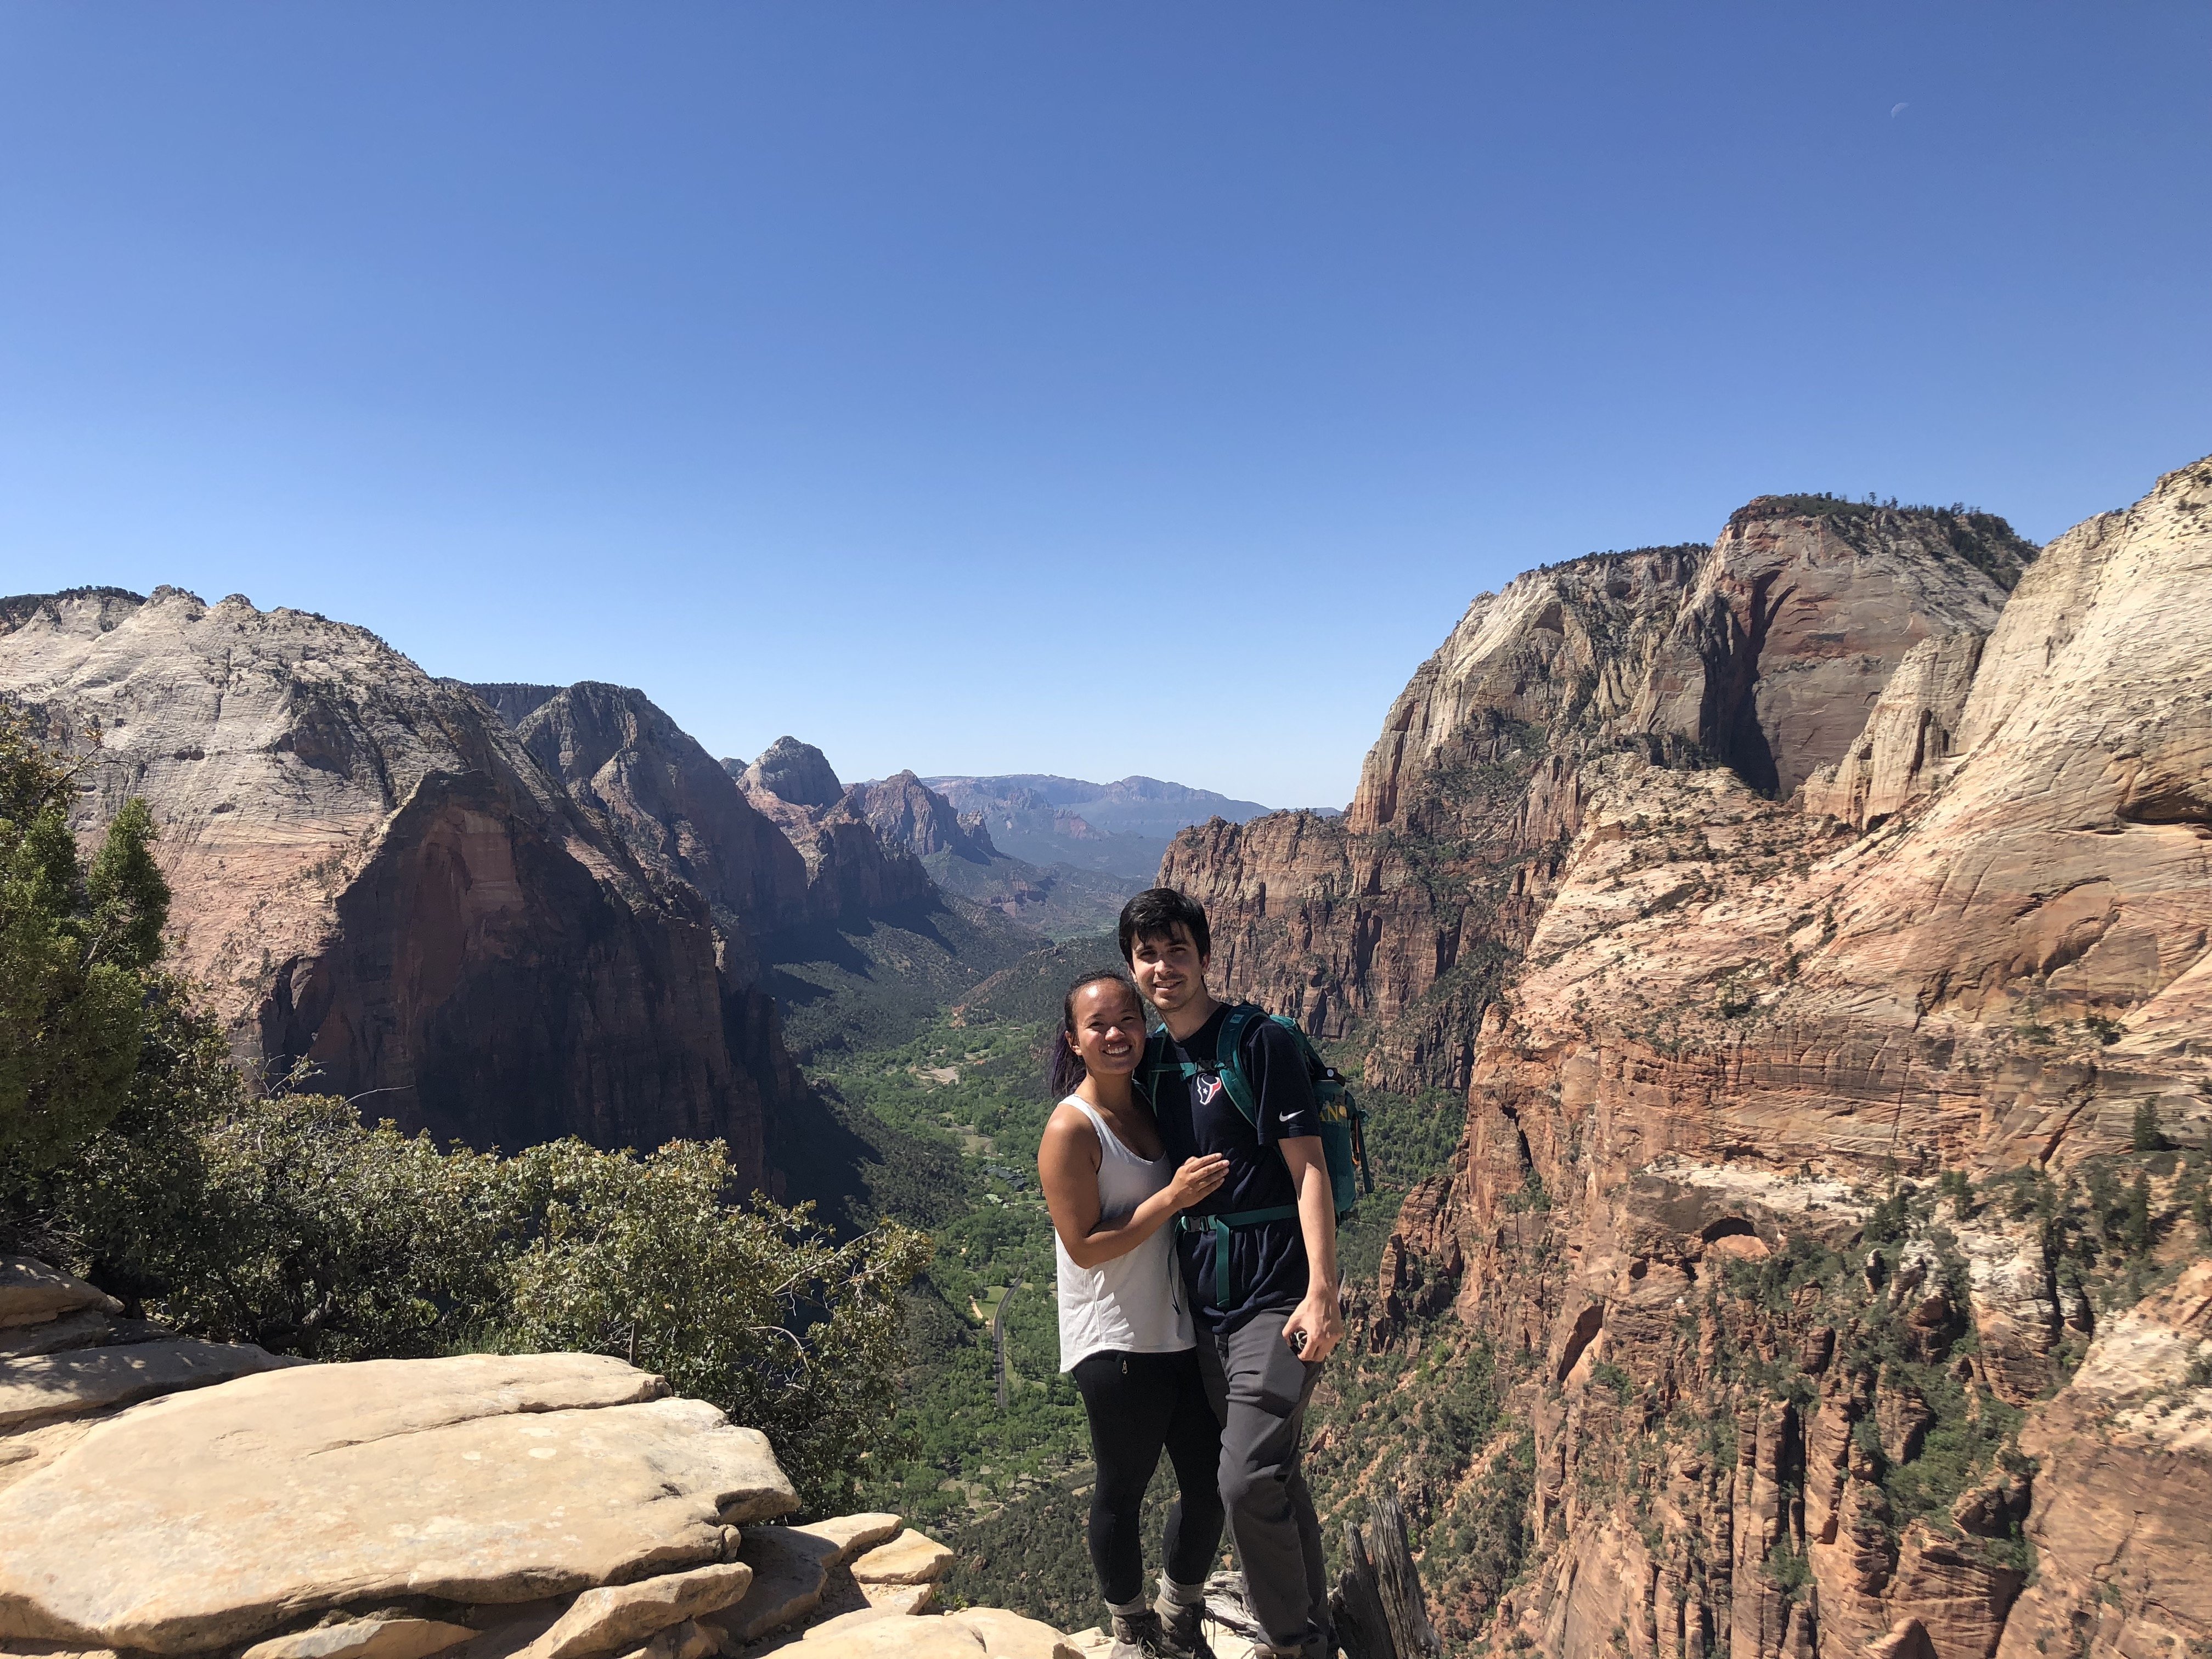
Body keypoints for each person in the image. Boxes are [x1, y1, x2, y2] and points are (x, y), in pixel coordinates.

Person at [1120, 888, 1343, 1659]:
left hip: (1276, 1294)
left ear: (1205, 956)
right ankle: (1315, 1629)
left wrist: (1323, 1292)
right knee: (1274, 1475)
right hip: (1205, 1308)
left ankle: (1292, 1645)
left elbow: (1309, 1169)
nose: (1163, 968)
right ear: (1132, 966)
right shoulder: (1152, 1061)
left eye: (1177, 950)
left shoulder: (1257, 1044)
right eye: (1147, 955)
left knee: (1244, 1481)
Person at [1039, 969, 1233, 1659]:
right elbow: (1085, 1248)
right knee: (1122, 1491)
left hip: (1178, 1330)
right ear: (1075, 1040)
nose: (1117, 1034)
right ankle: (1133, 1630)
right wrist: (1172, 1198)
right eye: (1099, 1025)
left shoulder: (1151, 1105)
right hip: (1116, 1343)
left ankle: (1180, 1612)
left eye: (1128, 1020)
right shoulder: (1072, 1127)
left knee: (1210, 1486)